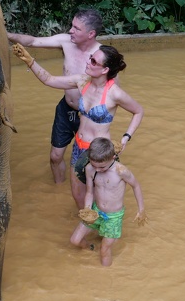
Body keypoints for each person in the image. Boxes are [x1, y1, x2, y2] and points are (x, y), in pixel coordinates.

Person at [12, 41, 143, 209]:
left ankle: (103, 231)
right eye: (90, 58)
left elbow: (138, 111)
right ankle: (87, 230)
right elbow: (49, 80)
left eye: (94, 62)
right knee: (78, 196)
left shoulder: (114, 93)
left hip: (99, 151)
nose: (88, 62)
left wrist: (126, 137)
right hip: (78, 147)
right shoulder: (82, 82)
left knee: (103, 199)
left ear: (105, 70)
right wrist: (30, 61)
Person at [7, 10, 104, 188]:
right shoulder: (66, 41)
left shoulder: (101, 56)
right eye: (72, 25)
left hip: (89, 115)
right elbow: (33, 41)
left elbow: (113, 91)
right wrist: (6, 35)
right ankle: (58, 191)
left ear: (91, 34)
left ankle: (91, 197)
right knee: (55, 156)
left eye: (76, 28)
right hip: (66, 108)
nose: (70, 30)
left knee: (93, 162)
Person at [70, 138, 146, 267]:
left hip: (113, 217)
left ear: (113, 157)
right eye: (94, 166)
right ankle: (90, 248)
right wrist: (88, 209)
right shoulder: (89, 168)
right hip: (96, 211)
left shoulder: (121, 171)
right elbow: (90, 192)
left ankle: (106, 277)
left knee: (104, 250)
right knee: (75, 240)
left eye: (102, 167)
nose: (97, 170)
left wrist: (141, 210)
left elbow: (136, 186)